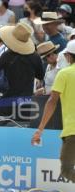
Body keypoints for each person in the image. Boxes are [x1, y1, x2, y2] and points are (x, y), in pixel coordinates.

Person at [31, 40, 75, 182]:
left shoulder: (64, 73)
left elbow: (51, 102)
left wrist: (40, 129)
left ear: (68, 56)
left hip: (72, 131)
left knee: (66, 170)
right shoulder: (59, 72)